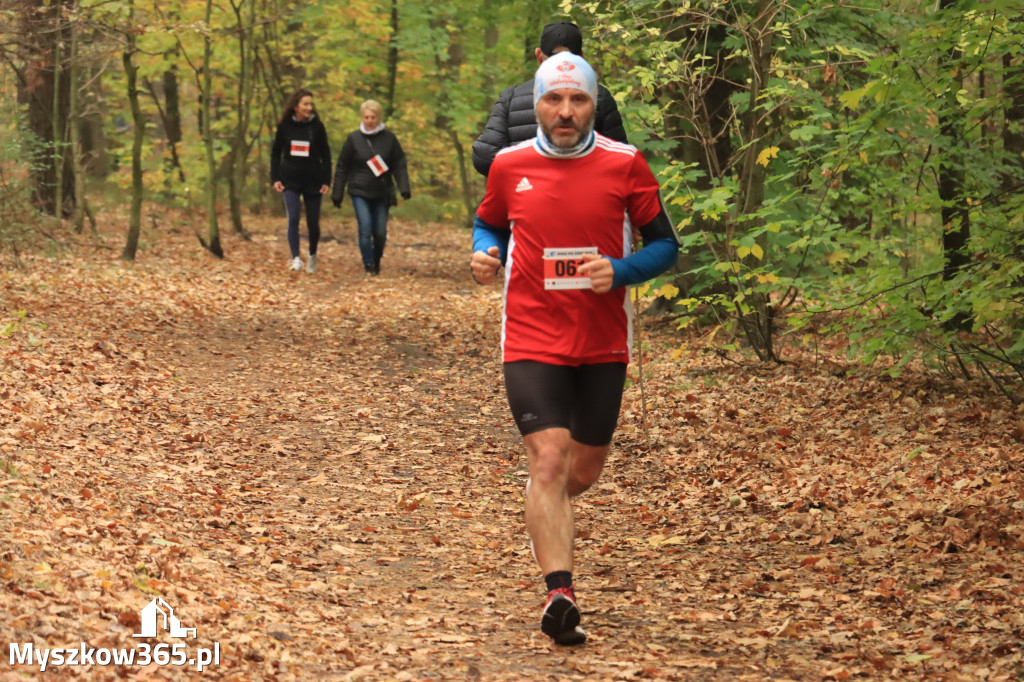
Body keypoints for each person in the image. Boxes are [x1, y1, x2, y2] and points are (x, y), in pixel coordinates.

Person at [470, 52, 679, 646]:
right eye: (554, 100)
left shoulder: (625, 164)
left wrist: (622, 269)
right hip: (531, 334)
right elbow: (490, 223)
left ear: (593, 104)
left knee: (579, 472)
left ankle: (545, 507)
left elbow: (666, 247)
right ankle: (559, 592)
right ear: (535, 102)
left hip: (603, 343)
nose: (565, 112)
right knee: (550, 460)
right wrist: (486, 252)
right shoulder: (509, 165)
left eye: (577, 100)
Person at [471, 21, 628, 178]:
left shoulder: (511, 97)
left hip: (524, 198)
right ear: (581, 58)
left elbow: (485, 158)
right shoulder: (598, 96)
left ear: (539, 56)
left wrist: (526, 179)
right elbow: (620, 165)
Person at [332, 100, 411, 276]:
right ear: (362, 117)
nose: (369, 120)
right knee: (365, 229)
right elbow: (342, 166)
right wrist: (337, 192)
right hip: (359, 190)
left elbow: (399, 164)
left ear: (378, 118)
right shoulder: (354, 139)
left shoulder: (389, 139)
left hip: (382, 191)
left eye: (373, 117)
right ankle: (369, 265)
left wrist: (404, 187)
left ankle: (376, 260)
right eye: (366, 117)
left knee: (380, 232)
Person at [270, 88, 332, 273]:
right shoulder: (284, 127)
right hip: (290, 180)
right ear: (295, 106)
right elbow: (275, 154)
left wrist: (326, 180)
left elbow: (326, 156)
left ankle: (312, 254)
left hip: (313, 180)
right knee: (294, 217)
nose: (309, 107)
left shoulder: (317, 127)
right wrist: (275, 178)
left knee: (313, 222)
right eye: (305, 104)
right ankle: (295, 257)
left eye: (311, 104)